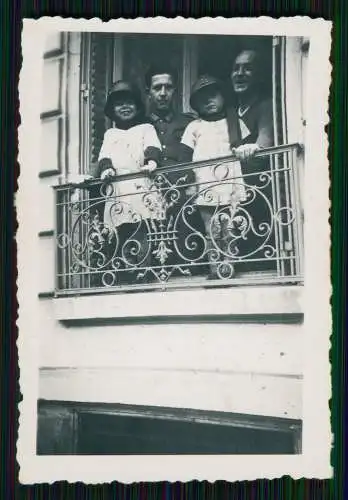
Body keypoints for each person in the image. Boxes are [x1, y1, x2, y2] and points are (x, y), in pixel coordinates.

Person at [179, 74, 248, 280]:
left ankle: (229, 267)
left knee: (230, 228)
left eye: (213, 95)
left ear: (223, 97)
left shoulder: (234, 121)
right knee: (211, 229)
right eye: (203, 97)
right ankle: (214, 268)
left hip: (230, 183)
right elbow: (185, 156)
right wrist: (189, 182)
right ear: (196, 104)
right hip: (206, 184)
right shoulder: (195, 126)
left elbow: (247, 147)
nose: (209, 100)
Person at [97, 80, 162, 284]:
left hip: (140, 184)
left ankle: (144, 270)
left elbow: (153, 147)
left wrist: (152, 162)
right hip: (118, 189)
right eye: (119, 104)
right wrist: (106, 168)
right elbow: (104, 157)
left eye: (129, 102)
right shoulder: (110, 134)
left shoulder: (146, 128)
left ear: (138, 105)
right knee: (121, 231)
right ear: (112, 110)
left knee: (142, 227)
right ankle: (126, 272)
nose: (125, 107)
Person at [145, 64, 205, 274]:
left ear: (175, 91)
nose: (163, 93)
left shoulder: (189, 123)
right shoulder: (140, 126)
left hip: (182, 197)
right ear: (149, 92)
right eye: (157, 88)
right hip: (146, 198)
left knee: (187, 258)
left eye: (168, 87)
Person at [228, 49, 275, 272]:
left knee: (257, 262)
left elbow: (264, 144)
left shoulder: (266, 105)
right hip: (231, 191)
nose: (240, 73)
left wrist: (253, 147)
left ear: (260, 75)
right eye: (236, 68)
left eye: (248, 68)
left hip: (259, 190)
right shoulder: (229, 111)